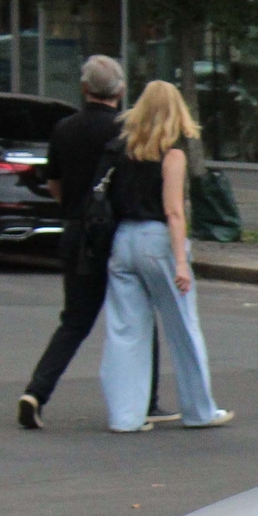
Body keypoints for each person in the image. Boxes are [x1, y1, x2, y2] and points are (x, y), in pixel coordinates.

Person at [17, 55, 167, 428]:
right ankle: (146, 400)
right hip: (118, 234)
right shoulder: (129, 129)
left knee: (75, 320)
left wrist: (77, 210)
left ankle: (37, 391)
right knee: (138, 318)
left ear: (84, 88)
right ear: (120, 90)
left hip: (76, 233)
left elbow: (55, 183)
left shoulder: (64, 128)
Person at [100, 80, 231, 432]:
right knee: (183, 328)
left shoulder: (121, 149)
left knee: (126, 331)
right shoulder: (172, 154)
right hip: (156, 240)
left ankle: (124, 416)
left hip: (122, 239)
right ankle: (200, 410)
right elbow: (174, 211)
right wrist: (181, 262)